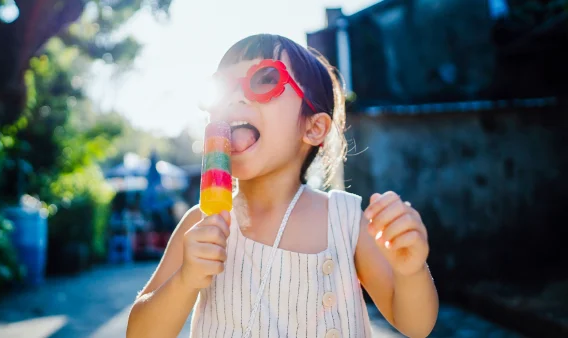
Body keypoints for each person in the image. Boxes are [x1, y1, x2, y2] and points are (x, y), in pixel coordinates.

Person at [127, 34, 438, 338]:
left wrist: (410, 271)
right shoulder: (201, 223)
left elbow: (415, 325)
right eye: (221, 87)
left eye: (264, 79)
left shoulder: (345, 221)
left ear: (313, 128)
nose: (234, 97)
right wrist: (184, 281)